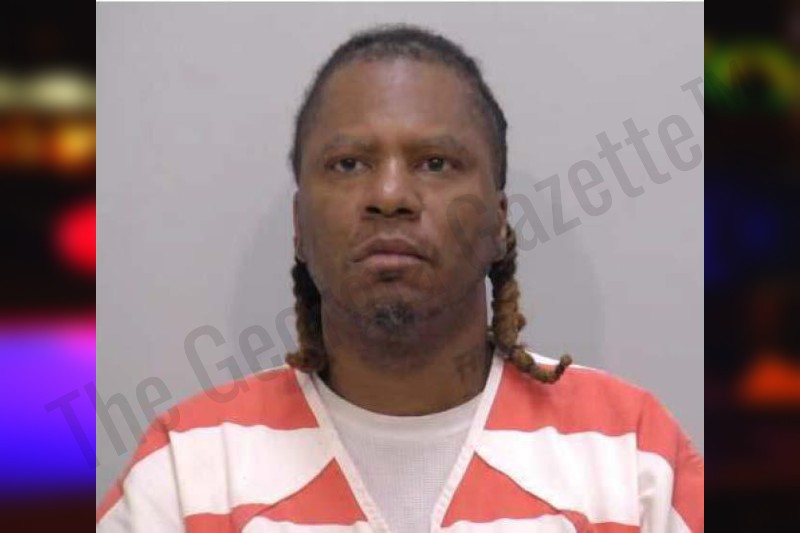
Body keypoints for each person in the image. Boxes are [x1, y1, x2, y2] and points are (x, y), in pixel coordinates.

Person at [97, 24, 704, 533]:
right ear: (300, 226)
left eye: (435, 163)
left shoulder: (634, 457)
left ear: (498, 222)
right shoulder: (187, 472)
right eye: (349, 164)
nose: (389, 195)